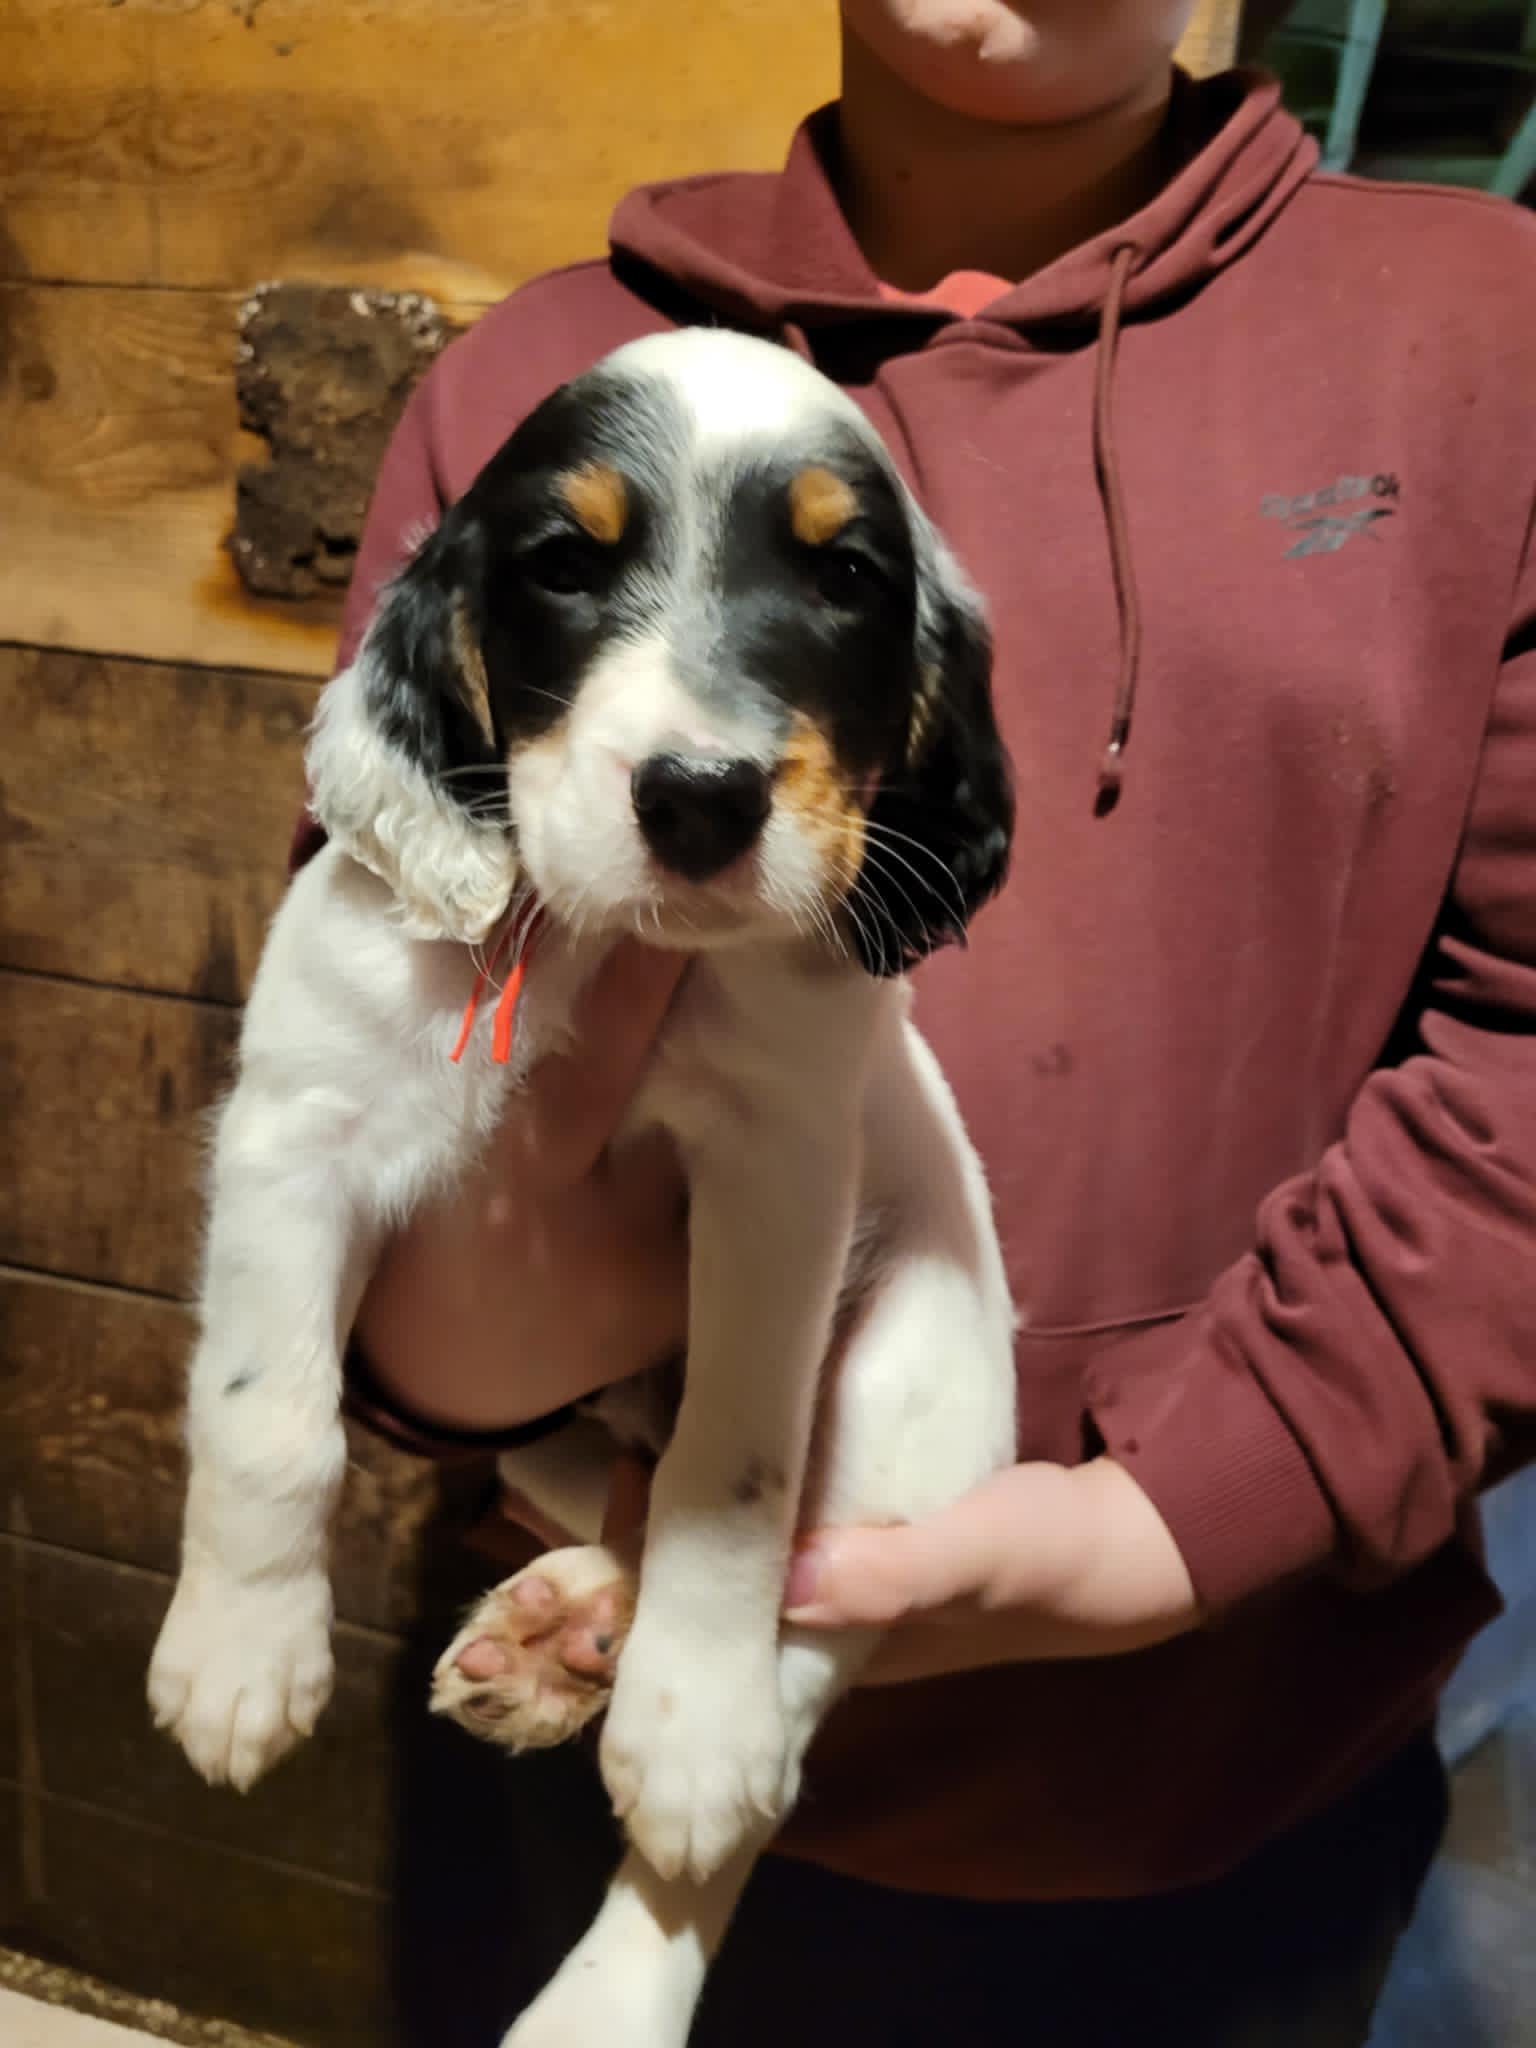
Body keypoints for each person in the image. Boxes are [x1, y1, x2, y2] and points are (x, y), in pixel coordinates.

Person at [294, 4, 1536, 2040]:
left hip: (1230, 1757)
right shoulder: (541, 381)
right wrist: (457, 1343)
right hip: (596, 1680)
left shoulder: (1489, 332)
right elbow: (376, 989)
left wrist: (1178, 1519)